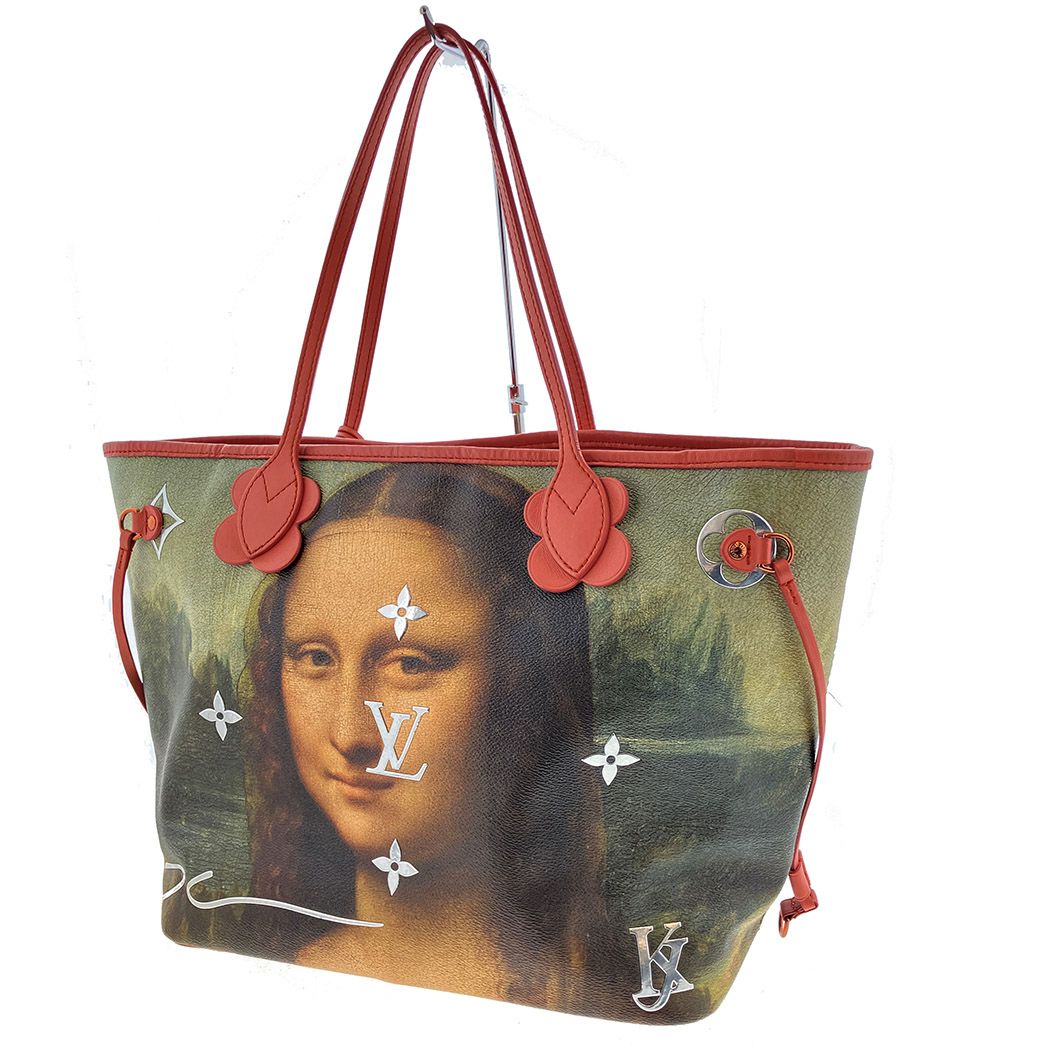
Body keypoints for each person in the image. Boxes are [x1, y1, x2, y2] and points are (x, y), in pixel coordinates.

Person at [238, 462, 629, 1014]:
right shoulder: (258, 976)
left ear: (521, 683)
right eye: (316, 658)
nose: (350, 733)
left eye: (411, 664)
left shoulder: (604, 1002)